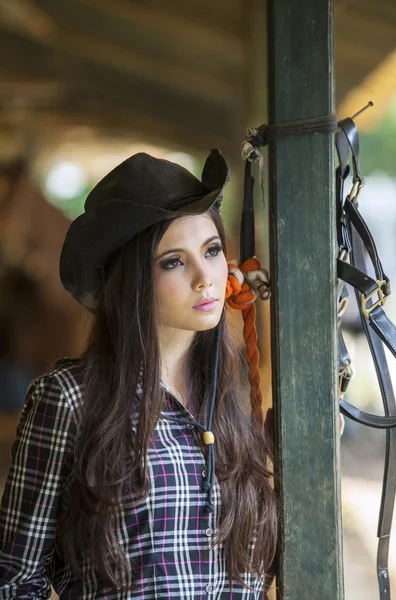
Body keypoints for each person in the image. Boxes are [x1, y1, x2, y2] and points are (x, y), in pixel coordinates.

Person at [0, 149, 279, 599]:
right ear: (134, 279)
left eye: (210, 251)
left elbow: (260, 569)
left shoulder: (231, 399)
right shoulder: (70, 399)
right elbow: (14, 582)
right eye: (173, 261)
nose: (204, 278)